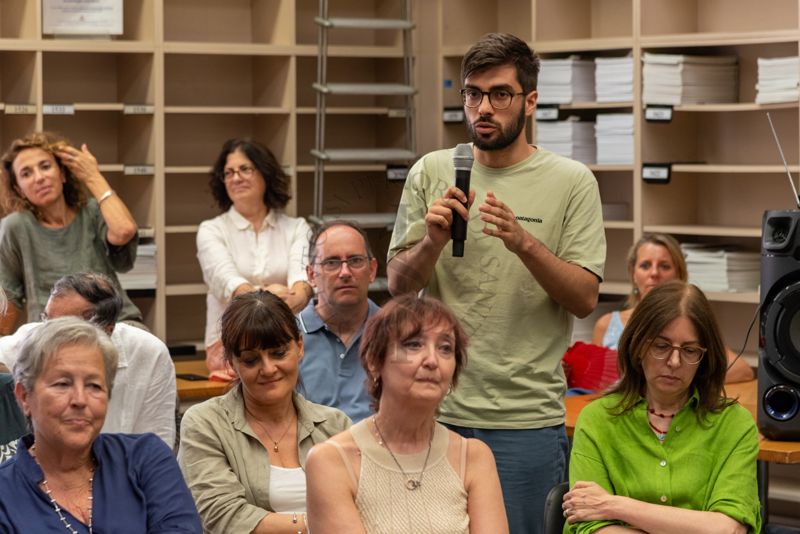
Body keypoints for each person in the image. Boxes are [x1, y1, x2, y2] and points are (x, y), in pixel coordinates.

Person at [386, 32, 605, 533]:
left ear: (529, 101)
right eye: (472, 94)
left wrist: (525, 244)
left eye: (500, 94)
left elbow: (584, 297)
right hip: (433, 407)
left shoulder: (572, 181)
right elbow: (398, 285)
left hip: (524, 419)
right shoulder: (433, 170)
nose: (483, 108)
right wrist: (433, 242)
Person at [564, 280, 761, 534]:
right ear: (637, 346)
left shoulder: (735, 424)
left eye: (690, 350)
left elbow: (727, 530)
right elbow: (590, 527)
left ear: (705, 357)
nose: (674, 361)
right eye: (661, 346)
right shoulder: (597, 419)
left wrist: (614, 506)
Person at [306, 294, 508, 533]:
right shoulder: (331, 461)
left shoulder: (474, 457)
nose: (432, 360)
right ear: (374, 361)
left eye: (445, 348)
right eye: (413, 344)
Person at [0, 317, 202, 532]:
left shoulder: (145, 458)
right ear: (24, 397)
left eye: (94, 386)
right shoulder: (4, 493)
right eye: (62, 384)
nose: (80, 399)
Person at [178, 290, 350, 534]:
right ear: (231, 363)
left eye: (278, 353)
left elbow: (364, 505)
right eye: (250, 360)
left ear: (300, 346)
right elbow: (224, 516)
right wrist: (317, 525)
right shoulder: (205, 424)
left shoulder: (336, 425)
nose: (268, 369)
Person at [0, 272, 177, 447]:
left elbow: (157, 445)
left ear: (106, 331)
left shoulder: (148, 353)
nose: (48, 335)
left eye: (64, 329)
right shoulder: (23, 345)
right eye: (47, 321)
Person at [0, 131, 142, 333]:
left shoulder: (93, 211)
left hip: (115, 323)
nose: (39, 178)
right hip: (53, 331)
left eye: (45, 166)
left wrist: (93, 176)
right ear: (19, 189)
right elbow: (8, 295)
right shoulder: (15, 226)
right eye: (26, 173)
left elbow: (124, 230)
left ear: (63, 174)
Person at [197, 138, 313, 379]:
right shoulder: (211, 230)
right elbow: (232, 287)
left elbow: (302, 285)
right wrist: (275, 296)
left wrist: (298, 293)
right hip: (231, 346)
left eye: (245, 169)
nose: (236, 178)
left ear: (265, 173)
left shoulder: (297, 227)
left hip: (286, 342)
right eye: (228, 172)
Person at [592, 233, 753, 383]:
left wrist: (679, 380)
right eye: (645, 265)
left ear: (679, 274)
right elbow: (593, 383)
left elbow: (742, 370)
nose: (654, 273)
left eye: (664, 266)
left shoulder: (688, 325)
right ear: (633, 274)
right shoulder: (605, 325)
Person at [298, 220, 379, 422]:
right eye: (331, 262)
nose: (345, 273)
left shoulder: (397, 332)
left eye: (355, 260)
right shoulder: (285, 336)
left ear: (372, 270)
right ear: (311, 275)